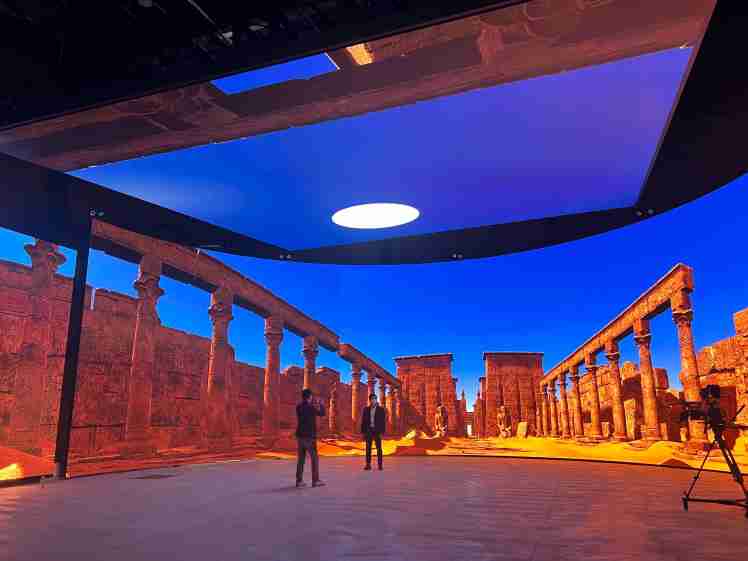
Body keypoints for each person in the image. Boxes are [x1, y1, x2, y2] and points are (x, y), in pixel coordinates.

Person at [295, 388, 326, 488]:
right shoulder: (311, 408)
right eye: (311, 396)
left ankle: (299, 481)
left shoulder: (298, 407)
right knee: (314, 458)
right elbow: (322, 414)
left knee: (301, 459)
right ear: (309, 397)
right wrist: (321, 404)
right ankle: (315, 481)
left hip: (300, 436)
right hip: (309, 437)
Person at [361, 393, 386, 471]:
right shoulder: (366, 409)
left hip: (377, 431)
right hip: (369, 430)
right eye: (372, 399)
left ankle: (380, 465)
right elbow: (363, 421)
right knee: (368, 448)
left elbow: (383, 422)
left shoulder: (381, 410)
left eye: (375, 398)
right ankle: (368, 464)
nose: (374, 400)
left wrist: (382, 432)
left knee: (379, 448)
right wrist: (363, 433)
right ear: (370, 400)